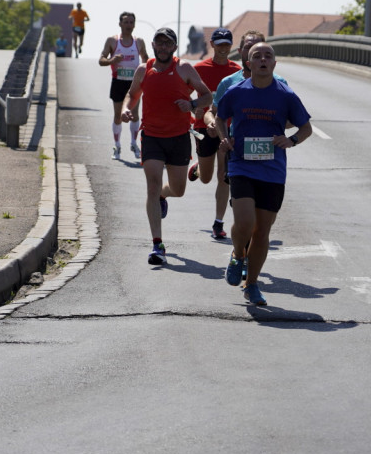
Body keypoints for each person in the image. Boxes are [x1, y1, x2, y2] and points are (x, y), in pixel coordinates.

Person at [216, 41, 312, 306]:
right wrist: (224, 139)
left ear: (274, 64)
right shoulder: (236, 92)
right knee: (245, 222)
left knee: (262, 232)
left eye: (267, 56)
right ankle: (238, 255)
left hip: (272, 170)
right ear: (248, 63)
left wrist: (290, 141)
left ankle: (252, 284)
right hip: (241, 165)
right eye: (256, 56)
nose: (262, 59)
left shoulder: (286, 95)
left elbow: (305, 128)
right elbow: (219, 117)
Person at [121, 27, 213, 266]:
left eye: (167, 44)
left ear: (173, 47)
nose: (163, 47)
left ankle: (165, 194)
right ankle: (157, 244)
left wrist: (191, 103)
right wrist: (127, 110)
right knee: (151, 186)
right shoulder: (144, 70)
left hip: (179, 137)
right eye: (159, 43)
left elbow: (207, 96)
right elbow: (132, 95)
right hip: (151, 136)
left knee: (178, 189)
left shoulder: (183, 68)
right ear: (153, 45)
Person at [189, 28, 241, 240]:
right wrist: (195, 110)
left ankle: (218, 222)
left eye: (226, 44)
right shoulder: (199, 68)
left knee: (224, 177)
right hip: (203, 127)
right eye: (219, 44)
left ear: (231, 45)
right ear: (212, 44)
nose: (223, 48)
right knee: (206, 178)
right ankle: (199, 167)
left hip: (228, 129)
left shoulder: (237, 71)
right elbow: (186, 98)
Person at [99, 11, 149, 161]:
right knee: (118, 115)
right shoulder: (112, 41)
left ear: (134, 24)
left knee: (134, 114)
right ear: (120, 23)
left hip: (134, 83)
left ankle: (134, 143)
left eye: (131, 22)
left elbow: (146, 60)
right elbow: (101, 60)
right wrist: (112, 60)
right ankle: (117, 145)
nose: (128, 25)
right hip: (118, 81)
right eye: (126, 22)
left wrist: (146, 70)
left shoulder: (138, 41)